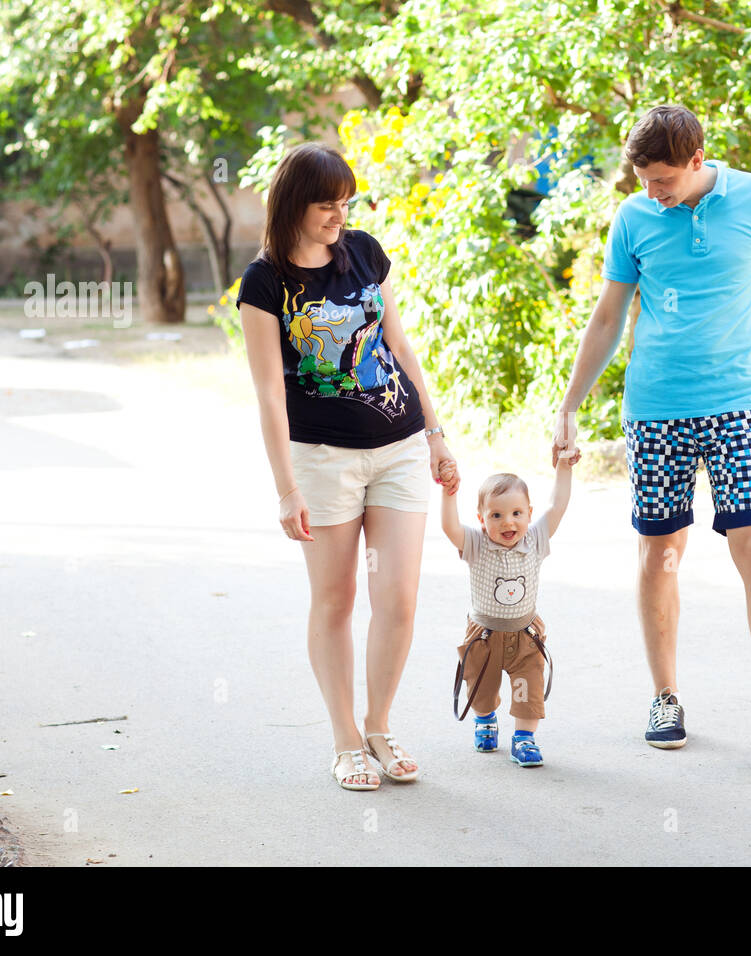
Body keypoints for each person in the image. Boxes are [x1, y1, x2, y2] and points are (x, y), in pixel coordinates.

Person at [551, 105, 751, 769]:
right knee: (660, 553)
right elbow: (607, 317)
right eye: (644, 180)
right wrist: (570, 405)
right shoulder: (633, 219)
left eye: (664, 180)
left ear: (699, 157)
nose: (654, 192)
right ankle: (665, 696)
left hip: (739, 403)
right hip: (656, 409)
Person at [237, 143, 460, 791]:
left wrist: (437, 432)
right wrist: (286, 490)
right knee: (336, 600)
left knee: (400, 598)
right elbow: (269, 395)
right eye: (326, 204)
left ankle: (380, 726)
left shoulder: (363, 249)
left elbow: (399, 343)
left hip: (399, 446)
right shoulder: (265, 282)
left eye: (345, 203)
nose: (339, 215)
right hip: (323, 459)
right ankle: (344, 740)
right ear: (293, 206)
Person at [438, 458, 574, 767]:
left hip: (526, 635)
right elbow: (449, 527)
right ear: (482, 518)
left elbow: (558, 506)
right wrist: (449, 493)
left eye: (516, 513)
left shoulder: (535, 540)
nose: (507, 522)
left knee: (529, 686)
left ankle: (524, 739)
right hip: (484, 634)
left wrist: (564, 468)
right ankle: (485, 719)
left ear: (529, 513)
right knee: (481, 687)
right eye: (496, 515)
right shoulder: (476, 543)